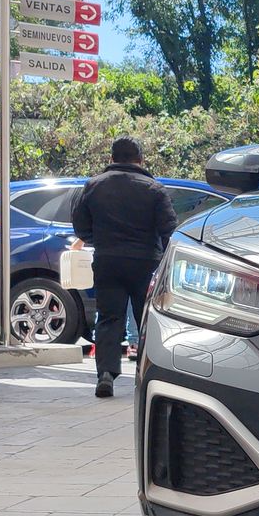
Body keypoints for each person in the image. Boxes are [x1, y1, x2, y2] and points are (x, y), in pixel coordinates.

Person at [70, 137, 177, 398]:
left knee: (109, 317)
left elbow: (80, 227)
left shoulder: (93, 186)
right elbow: (169, 231)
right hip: (145, 263)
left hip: (107, 261)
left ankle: (105, 375)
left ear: (111, 158)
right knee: (146, 321)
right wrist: (167, 264)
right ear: (141, 160)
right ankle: (147, 376)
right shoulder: (154, 189)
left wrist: (101, 241)